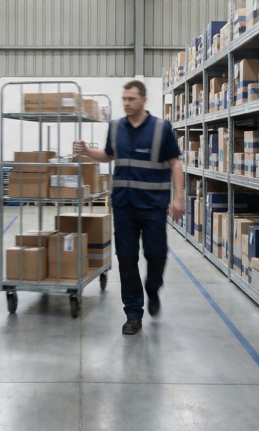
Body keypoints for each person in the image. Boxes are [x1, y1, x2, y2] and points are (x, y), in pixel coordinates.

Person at [74, 80, 184, 335]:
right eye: (124, 98)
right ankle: (133, 313)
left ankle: (153, 288)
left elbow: (175, 164)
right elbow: (110, 155)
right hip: (124, 205)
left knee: (156, 255)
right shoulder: (115, 128)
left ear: (143, 100)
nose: (126, 103)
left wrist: (178, 199)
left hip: (154, 206)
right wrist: (88, 151)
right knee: (126, 258)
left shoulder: (160, 128)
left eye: (131, 99)